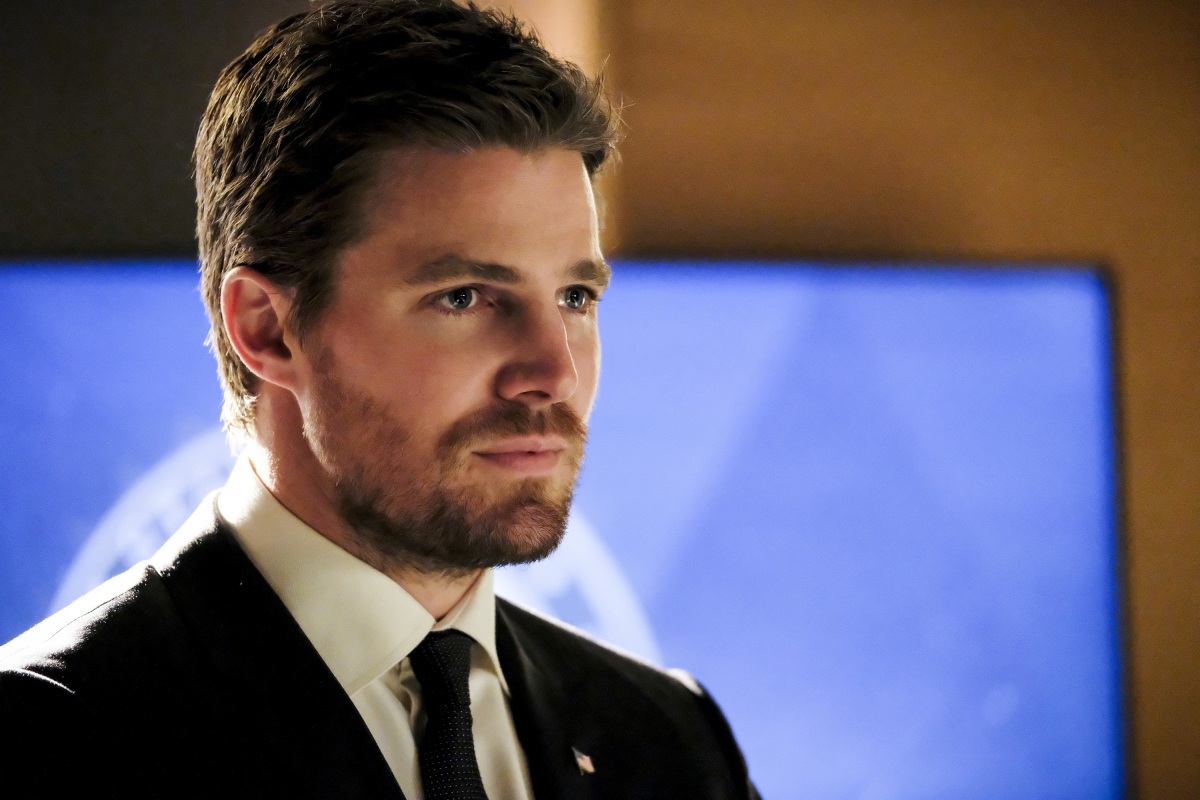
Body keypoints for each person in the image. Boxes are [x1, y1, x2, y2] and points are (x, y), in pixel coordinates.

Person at [0, 1, 759, 797]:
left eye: (575, 297)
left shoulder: (671, 741)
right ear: (267, 329)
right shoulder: (49, 736)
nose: (554, 371)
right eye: (464, 297)